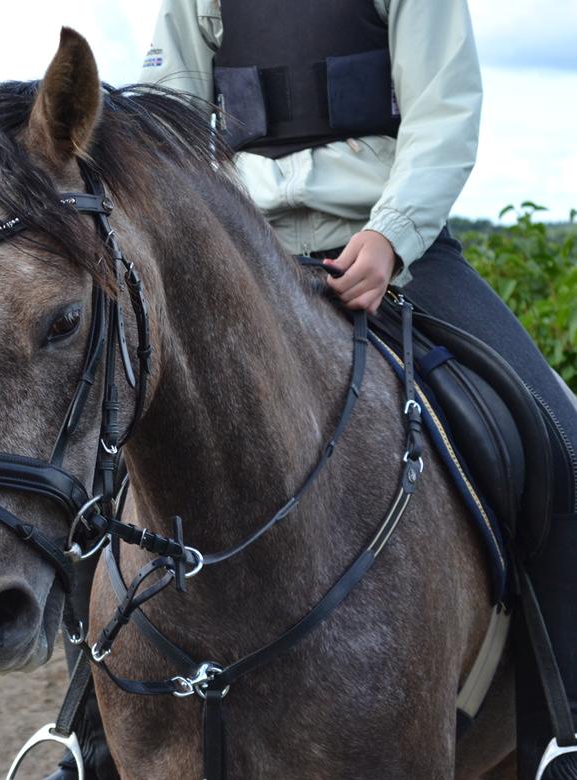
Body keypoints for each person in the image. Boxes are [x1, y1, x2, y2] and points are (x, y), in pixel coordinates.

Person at [44, 1, 577, 777]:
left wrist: (391, 232)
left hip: (392, 247)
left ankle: (560, 733)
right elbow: (166, 134)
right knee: (96, 466)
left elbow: (444, 109)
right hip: (237, 259)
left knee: (559, 437)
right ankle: (87, 738)